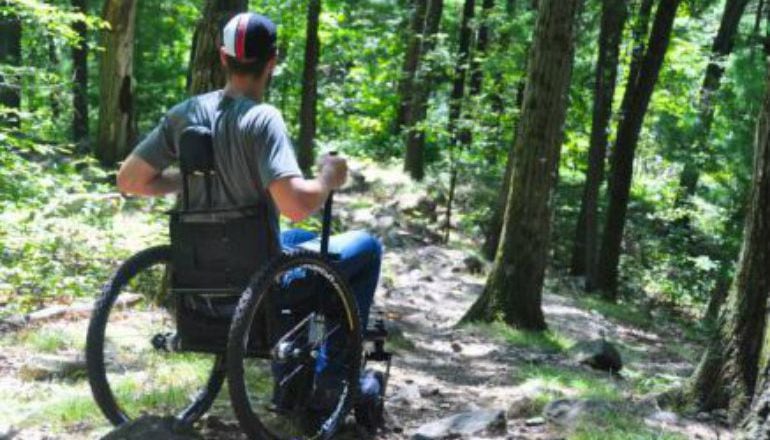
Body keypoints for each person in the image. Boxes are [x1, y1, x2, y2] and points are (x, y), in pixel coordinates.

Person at [116, 11, 382, 417]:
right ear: (271, 62)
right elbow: (294, 206)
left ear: (223, 58)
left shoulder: (185, 114)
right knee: (367, 247)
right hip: (259, 286)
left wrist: (184, 181)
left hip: (200, 275)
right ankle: (332, 383)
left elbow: (130, 180)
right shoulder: (262, 118)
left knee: (295, 241)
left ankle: (296, 376)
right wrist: (326, 181)